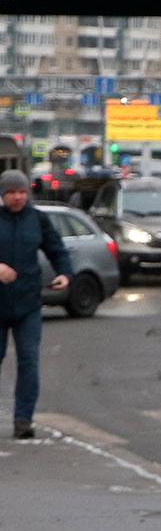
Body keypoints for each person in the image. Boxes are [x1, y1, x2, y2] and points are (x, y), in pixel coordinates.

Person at [0, 169, 72, 439]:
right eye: (11, 193)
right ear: (2, 195)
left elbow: (56, 249)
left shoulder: (37, 219)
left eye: (21, 192)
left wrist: (65, 273)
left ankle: (23, 420)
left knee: (29, 360)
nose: (17, 197)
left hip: (28, 302)